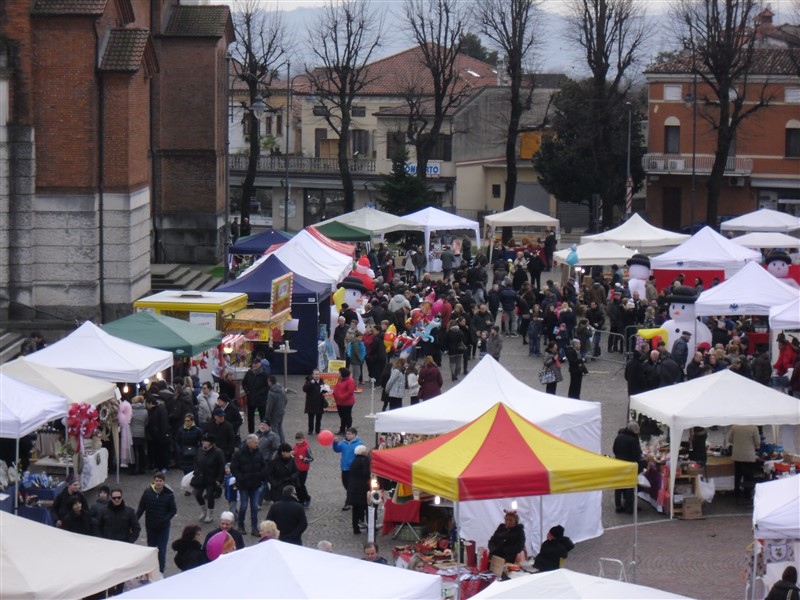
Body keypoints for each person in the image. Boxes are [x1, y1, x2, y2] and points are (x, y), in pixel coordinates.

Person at [136, 472, 177, 574]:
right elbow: (141, 508)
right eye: (157, 480)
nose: (158, 483)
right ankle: (151, 570)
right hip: (150, 526)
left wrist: (165, 519)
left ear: (164, 482)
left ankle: (161, 571)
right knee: (151, 549)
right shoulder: (147, 492)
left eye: (160, 481)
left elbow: (173, 510)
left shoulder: (169, 494)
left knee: (161, 550)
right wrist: (135, 520)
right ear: (154, 481)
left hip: (163, 527)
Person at [231, 433, 268, 536]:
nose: (257, 444)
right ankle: (241, 526)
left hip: (255, 484)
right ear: (249, 442)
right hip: (244, 485)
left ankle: (254, 528)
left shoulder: (258, 452)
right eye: (256, 442)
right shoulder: (239, 454)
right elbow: (234, 468)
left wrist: (260, 475)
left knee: (254, 507)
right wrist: (241, 478)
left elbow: (264, 465)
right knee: (243, 506)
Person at [192, 433, 225, 523]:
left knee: (210, 495)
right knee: (197, 494)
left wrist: (219, 479)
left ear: (211, 443)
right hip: (201, 477)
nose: (203, 443)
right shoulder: (199, 450)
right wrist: (196, 471)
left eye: (205, 441)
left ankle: (210, 514)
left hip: (212, 478)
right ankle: (203, 510)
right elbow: (195, 462)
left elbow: (221, 466)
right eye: (203, 441)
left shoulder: (218, 452)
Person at [613, 421, 643, 514]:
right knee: (630, 486)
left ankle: (618, 506)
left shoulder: (619, 437)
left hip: (619, 463)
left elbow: (614, 449)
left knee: (619, 486)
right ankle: (629, 507)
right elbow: (636, 455)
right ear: (635, 430)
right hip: (630, 466)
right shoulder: (633, 440)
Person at [726, 424, 760, 501]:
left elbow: (730, 440)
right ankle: (747, 494)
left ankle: (737, 493)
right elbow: (757, 442)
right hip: (749, 456)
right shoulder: (753, 427)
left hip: (737, 455)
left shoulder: (734, 427)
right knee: (748, 476)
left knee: (737, 475)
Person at [332, 427, 363, 511]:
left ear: (354, 435)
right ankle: (353, 497)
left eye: (349, 434)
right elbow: (337, 449)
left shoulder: (359, 444)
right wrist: (335, 443)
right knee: (345, 484)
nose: (347, 435)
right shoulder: (343, 443)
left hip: (353, 469)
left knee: (350, 486)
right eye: (347, 434)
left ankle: (348, 502)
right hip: (344, 468)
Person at [347, 445, 371, 535]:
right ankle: (369, 527)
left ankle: (355, 528)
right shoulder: (364, 461)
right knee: (367, 507)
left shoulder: (355, 460)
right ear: (363, 452)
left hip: (353, 488)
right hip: (362, 488)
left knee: (355, 509)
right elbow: (366, 473)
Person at [242, 358, 270, 434]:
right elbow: (244, 383)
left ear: (260, 364)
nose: (254, 365)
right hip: (251, 398)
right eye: (253, 363)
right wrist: (247, 390)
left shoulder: (264, 374)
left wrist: (261, 393)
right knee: (250, 418)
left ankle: (263, 432)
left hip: (261, 400)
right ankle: (251, 432)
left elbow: (268, 386)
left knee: (263, 418)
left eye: (256, 363)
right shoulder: (249, 373)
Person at [144, 395, 171, 473]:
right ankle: (158, 466)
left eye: (147, 404)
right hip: (155, 436)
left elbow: (164, 423)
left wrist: (163, 434)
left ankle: (164, 467)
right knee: (157, 452)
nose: (146, 406)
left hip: (161, 435)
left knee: (163, 452)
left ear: (150, 403)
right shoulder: (153, 410)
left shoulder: (161, 409)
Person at [332, 367, 356, 435]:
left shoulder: (350, 381)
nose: (338, 374)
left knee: (347, 416)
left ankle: (349, 431)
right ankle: (342, 429)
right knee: (342, 416)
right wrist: (334, 392)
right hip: (339, 401)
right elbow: (337, 386)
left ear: (342, 373)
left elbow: (350, 392)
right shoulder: (340, 379)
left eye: (339, 372)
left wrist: (342, 397)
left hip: (347, 402)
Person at [265, 375, 288, 444]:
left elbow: (269, 406)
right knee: (280, 427)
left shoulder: (271, 392)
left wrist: (267, 416)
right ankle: (283, 442)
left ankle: (277, 444)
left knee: (275, 429)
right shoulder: (282, 389)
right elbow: (286, 400)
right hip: (281, 411)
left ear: (270, 382)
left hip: (274, 413)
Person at [293, 432, 313, 507]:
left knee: (301, 485)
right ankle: (300, 500)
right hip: (296, 468)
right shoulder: (295, 446)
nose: (299, 442)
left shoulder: (306, 448)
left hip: (303, 469)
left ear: (303, 439)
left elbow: (311, 459)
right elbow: (294, 456)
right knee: (296, 485)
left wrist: (304, 459)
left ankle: (307, 498)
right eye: (298, 440)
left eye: (300, 440)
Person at [303, 369, 326, 435]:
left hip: (319, 402)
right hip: (311, 403)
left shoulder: (321, 381)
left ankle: (318, 430)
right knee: (311, 418)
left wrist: (326, 390)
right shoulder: (309, 380)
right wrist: (310, 383)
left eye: (318, 374)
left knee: (319, 418)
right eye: (315, 374)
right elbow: (304, 389)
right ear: (313, 375)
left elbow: (322, 390)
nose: (317, 376)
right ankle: (310, 430)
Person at [130, 395, 149, 474]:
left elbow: (129, 421)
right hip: (142, 432)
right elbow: (146, 422)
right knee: (141, 451)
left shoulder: (130, 410)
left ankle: (135, 468)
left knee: (134, 451)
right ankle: (142, 468)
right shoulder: (145, 411)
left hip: (133, 432)